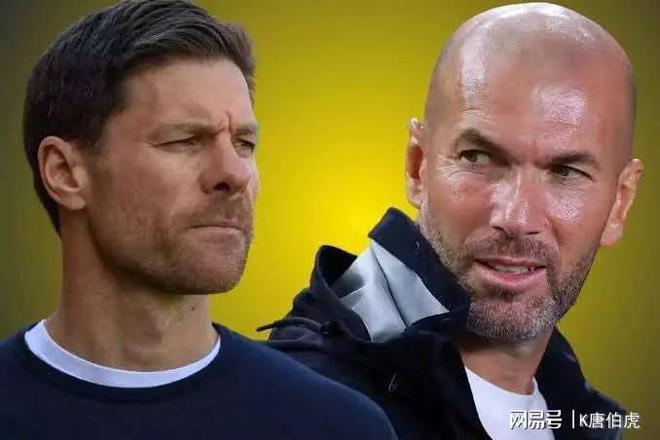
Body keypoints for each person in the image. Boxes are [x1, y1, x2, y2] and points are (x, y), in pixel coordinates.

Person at [0, 1, 397, 439]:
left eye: (244, 144)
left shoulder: (338, 427)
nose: (235, 174)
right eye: (185, 140)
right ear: (64, 172)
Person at [266, 3, 643, 439]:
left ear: (620, 203)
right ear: (417, 167)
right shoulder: (295, 404)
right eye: (478, 157)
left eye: (565, 172)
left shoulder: (576, 416)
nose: (516, 217)